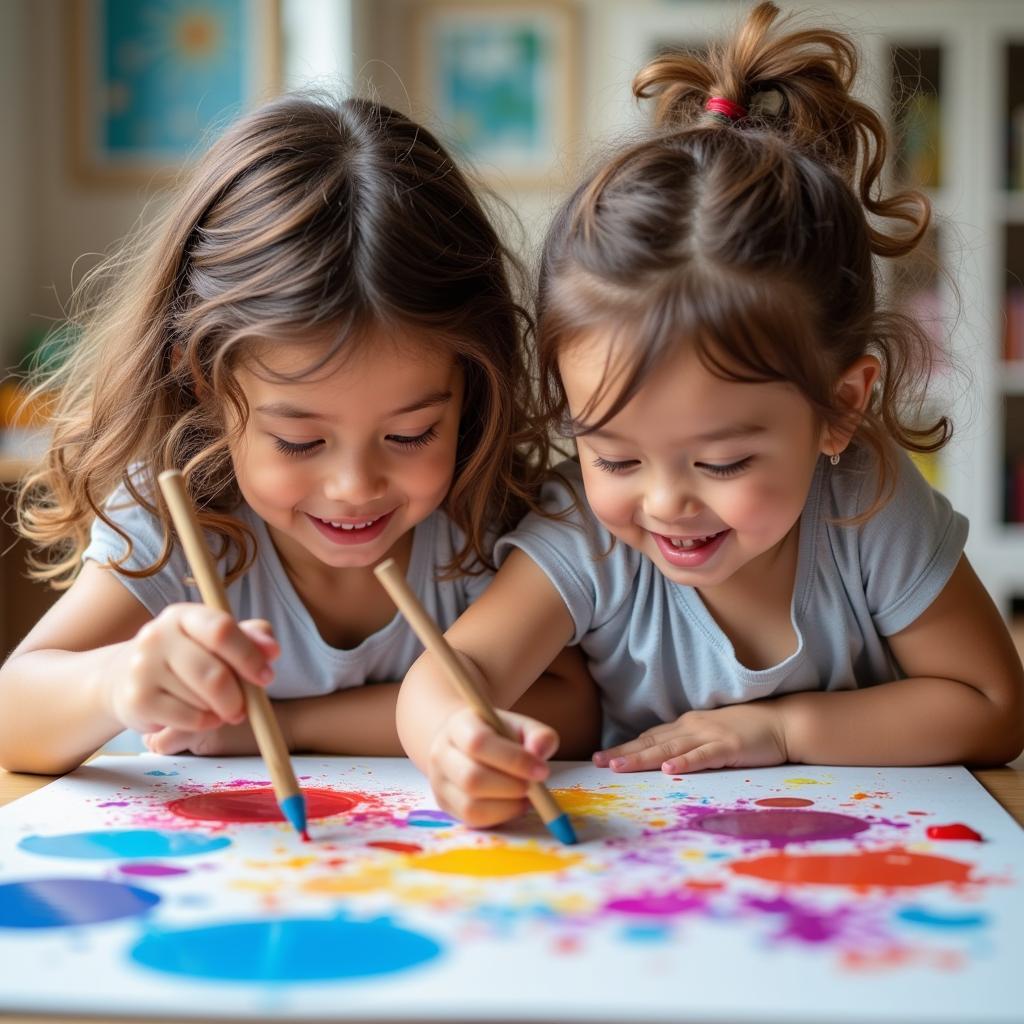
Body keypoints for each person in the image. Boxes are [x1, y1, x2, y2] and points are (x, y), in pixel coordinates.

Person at [396, 2, 1024, 829]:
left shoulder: (867, 498)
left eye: (722, 463)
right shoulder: (585, 531)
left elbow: (990, 703)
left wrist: (782, 729)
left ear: (841, 406)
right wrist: (454, 741)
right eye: (616, 458)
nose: (664, 503)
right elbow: (450, 672)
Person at [0, 94, 599, 776]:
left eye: (410, 435)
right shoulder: (178, 520)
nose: (355, 487)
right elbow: (12, 719)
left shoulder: (480, 511)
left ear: (472, 388)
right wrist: (116, 682)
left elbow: (572, 710)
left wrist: (285, 726)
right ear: (202, 380)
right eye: (299, 441)